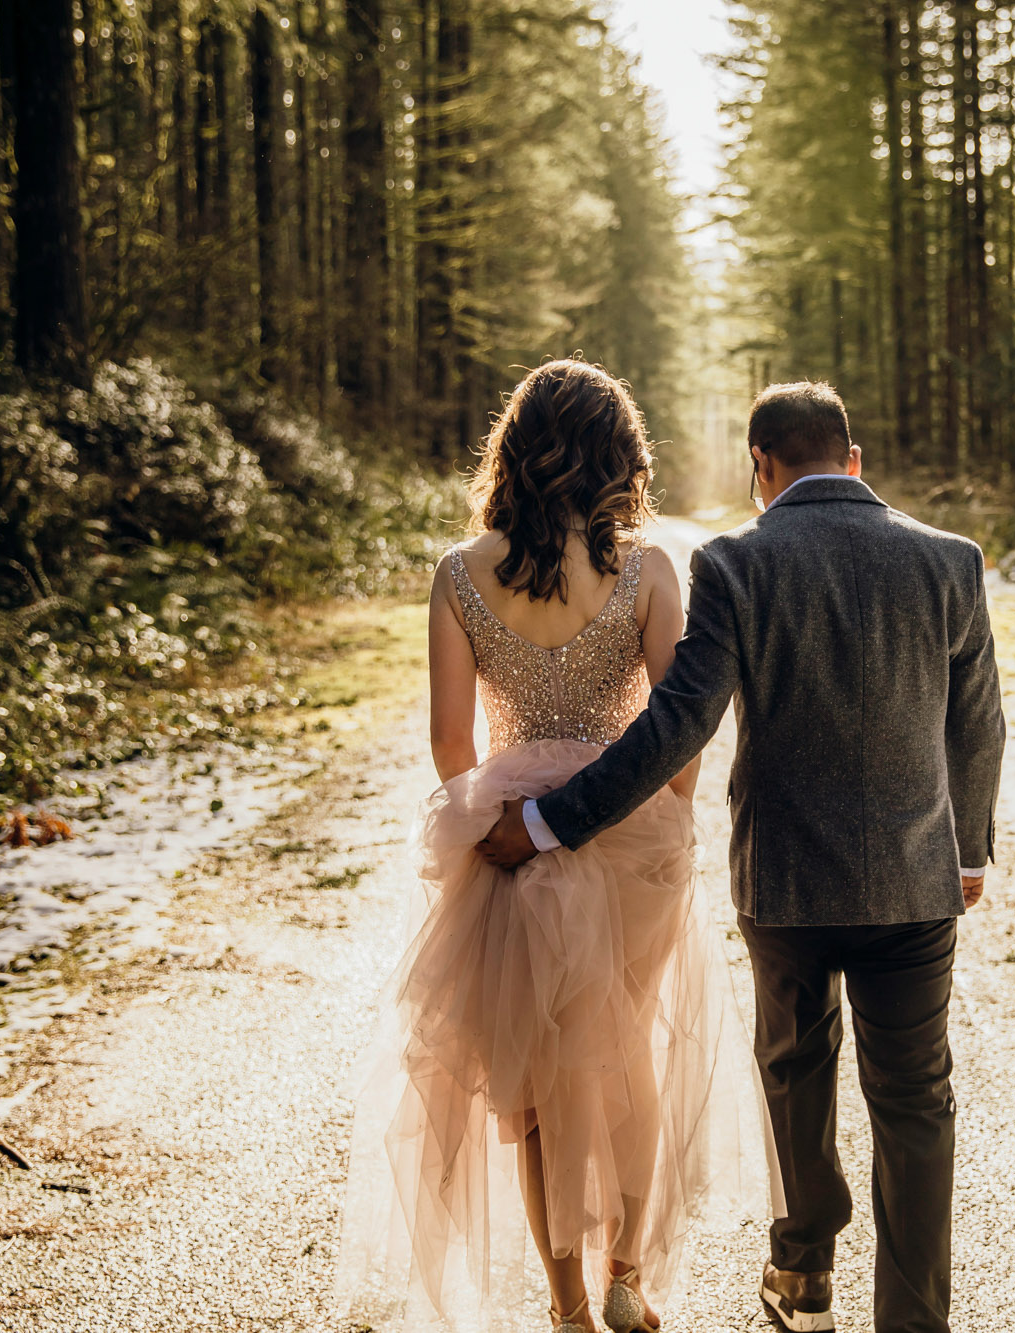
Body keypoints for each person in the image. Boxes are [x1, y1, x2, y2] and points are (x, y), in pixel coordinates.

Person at [477, 380, 1007, 1333]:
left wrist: (552, 820)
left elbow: (675, 727)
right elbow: (979, 726)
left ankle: (803, 1282)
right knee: (917, 1100)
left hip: (787, 883)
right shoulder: (952, 561)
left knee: (797, 1071)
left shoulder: (738, 563)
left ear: (759, 469)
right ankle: (916, 1321)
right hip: (914, 882)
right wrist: (969, 851)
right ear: (854, 462)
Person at [338, 360, 734, 1333]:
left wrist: (489, 820)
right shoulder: (645, 570)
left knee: (530, 1077)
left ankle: (564, 1305)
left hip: (510, 832)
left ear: (510, 452)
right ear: (619, 458)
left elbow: (447, 740)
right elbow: (676, 725)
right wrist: (660, 817)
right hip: (627, 828)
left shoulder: (460, 574)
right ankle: (626, 1275)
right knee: (627, 1051)